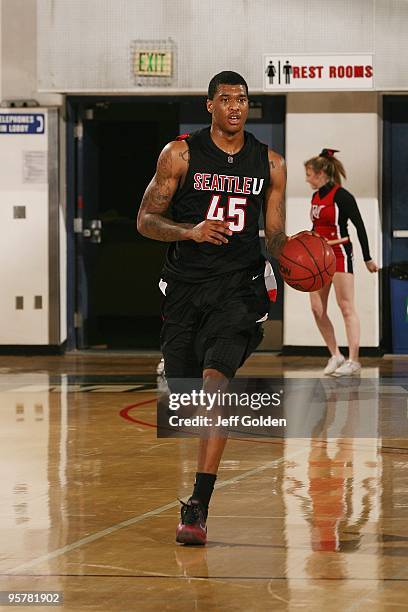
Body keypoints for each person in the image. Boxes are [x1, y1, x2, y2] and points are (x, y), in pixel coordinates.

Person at [137, 71, 287, 544]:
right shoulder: (179, 154)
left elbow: (277, 236)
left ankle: (199, 504)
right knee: (187, 397)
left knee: (214, 385)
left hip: (238, 290)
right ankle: (176, 366)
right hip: (185, 288)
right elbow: (145, 219)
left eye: (242, 99)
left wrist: (302, 262)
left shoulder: (271, 163)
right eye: (226, 99)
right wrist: (189, 231)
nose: (236, 106)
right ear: (210, 106)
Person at [305, 149, 378, 376]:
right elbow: (316, 227)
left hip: (339, 252)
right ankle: (336, 355)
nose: (306, 179)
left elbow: (360, 227)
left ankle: (354, 360)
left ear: (321, 173)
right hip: (319, 255)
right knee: (317, 309)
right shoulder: (315, 197)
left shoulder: (342, 196)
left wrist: (367, 258)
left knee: (346, 306)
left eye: (309, 174)